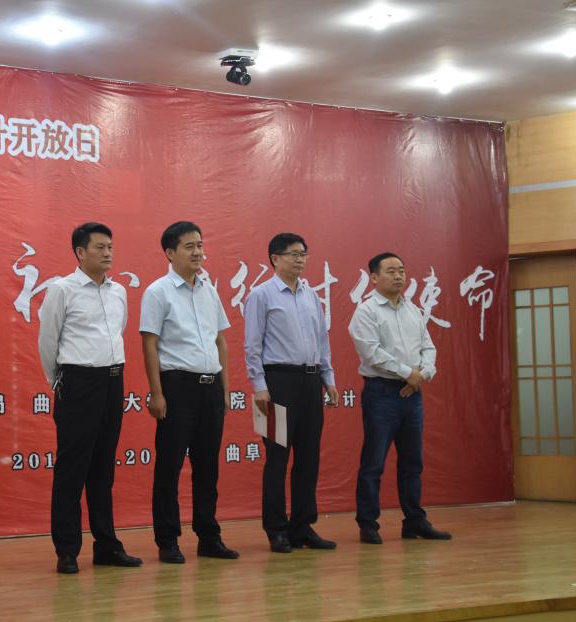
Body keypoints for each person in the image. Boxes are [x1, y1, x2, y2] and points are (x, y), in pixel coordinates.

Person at [38, 222, 143, 574]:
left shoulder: (119, 292)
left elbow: (118, 331)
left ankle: (107, 546)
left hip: (112, 380)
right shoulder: (62, 290)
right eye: (100, 247)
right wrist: (59, 381)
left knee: (103, 468)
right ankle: (67, 549)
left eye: (110, 247)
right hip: (78, 382)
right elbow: (48, 341)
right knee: (72, 468)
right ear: (80, 252)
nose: (108, 253)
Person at [140, 221, 239, 564]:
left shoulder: (209, 290)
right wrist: (156, 393)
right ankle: (167, 539)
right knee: (169, 467)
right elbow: (149, 344)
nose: (198, 252)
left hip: (211, 387)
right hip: (177, 387)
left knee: (208, 467)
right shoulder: (158, 292)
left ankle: (209, 536)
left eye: (200, 245)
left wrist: (225, 388)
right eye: (189, 246)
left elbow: (220, 340)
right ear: (170, 253)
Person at [244, 232, 339, 554]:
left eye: (303, 253)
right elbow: (252, 346)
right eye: (293, 254)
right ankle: (276, 530)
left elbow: (322, 341)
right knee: (277, 458)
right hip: (277, 383)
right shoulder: (261, 295)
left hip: (310, 382)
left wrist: (328, 379)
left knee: (308, 457)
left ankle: (303, 526)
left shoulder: (311, 295)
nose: (300, 259)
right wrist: (259, 387)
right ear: (275, 258)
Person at [348, 252, 452, 544]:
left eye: (402, 271)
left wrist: (422, 374)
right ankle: (368, 524)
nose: (398, 276)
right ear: (374, 277)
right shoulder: (366, 311)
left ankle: (414, 521)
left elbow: (428, 348)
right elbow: (372, 353)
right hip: (382, 393)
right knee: (374, 462)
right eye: (391, 271)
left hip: (412, 394)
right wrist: (409, 373)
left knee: (412, 462)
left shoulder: (413, 310)